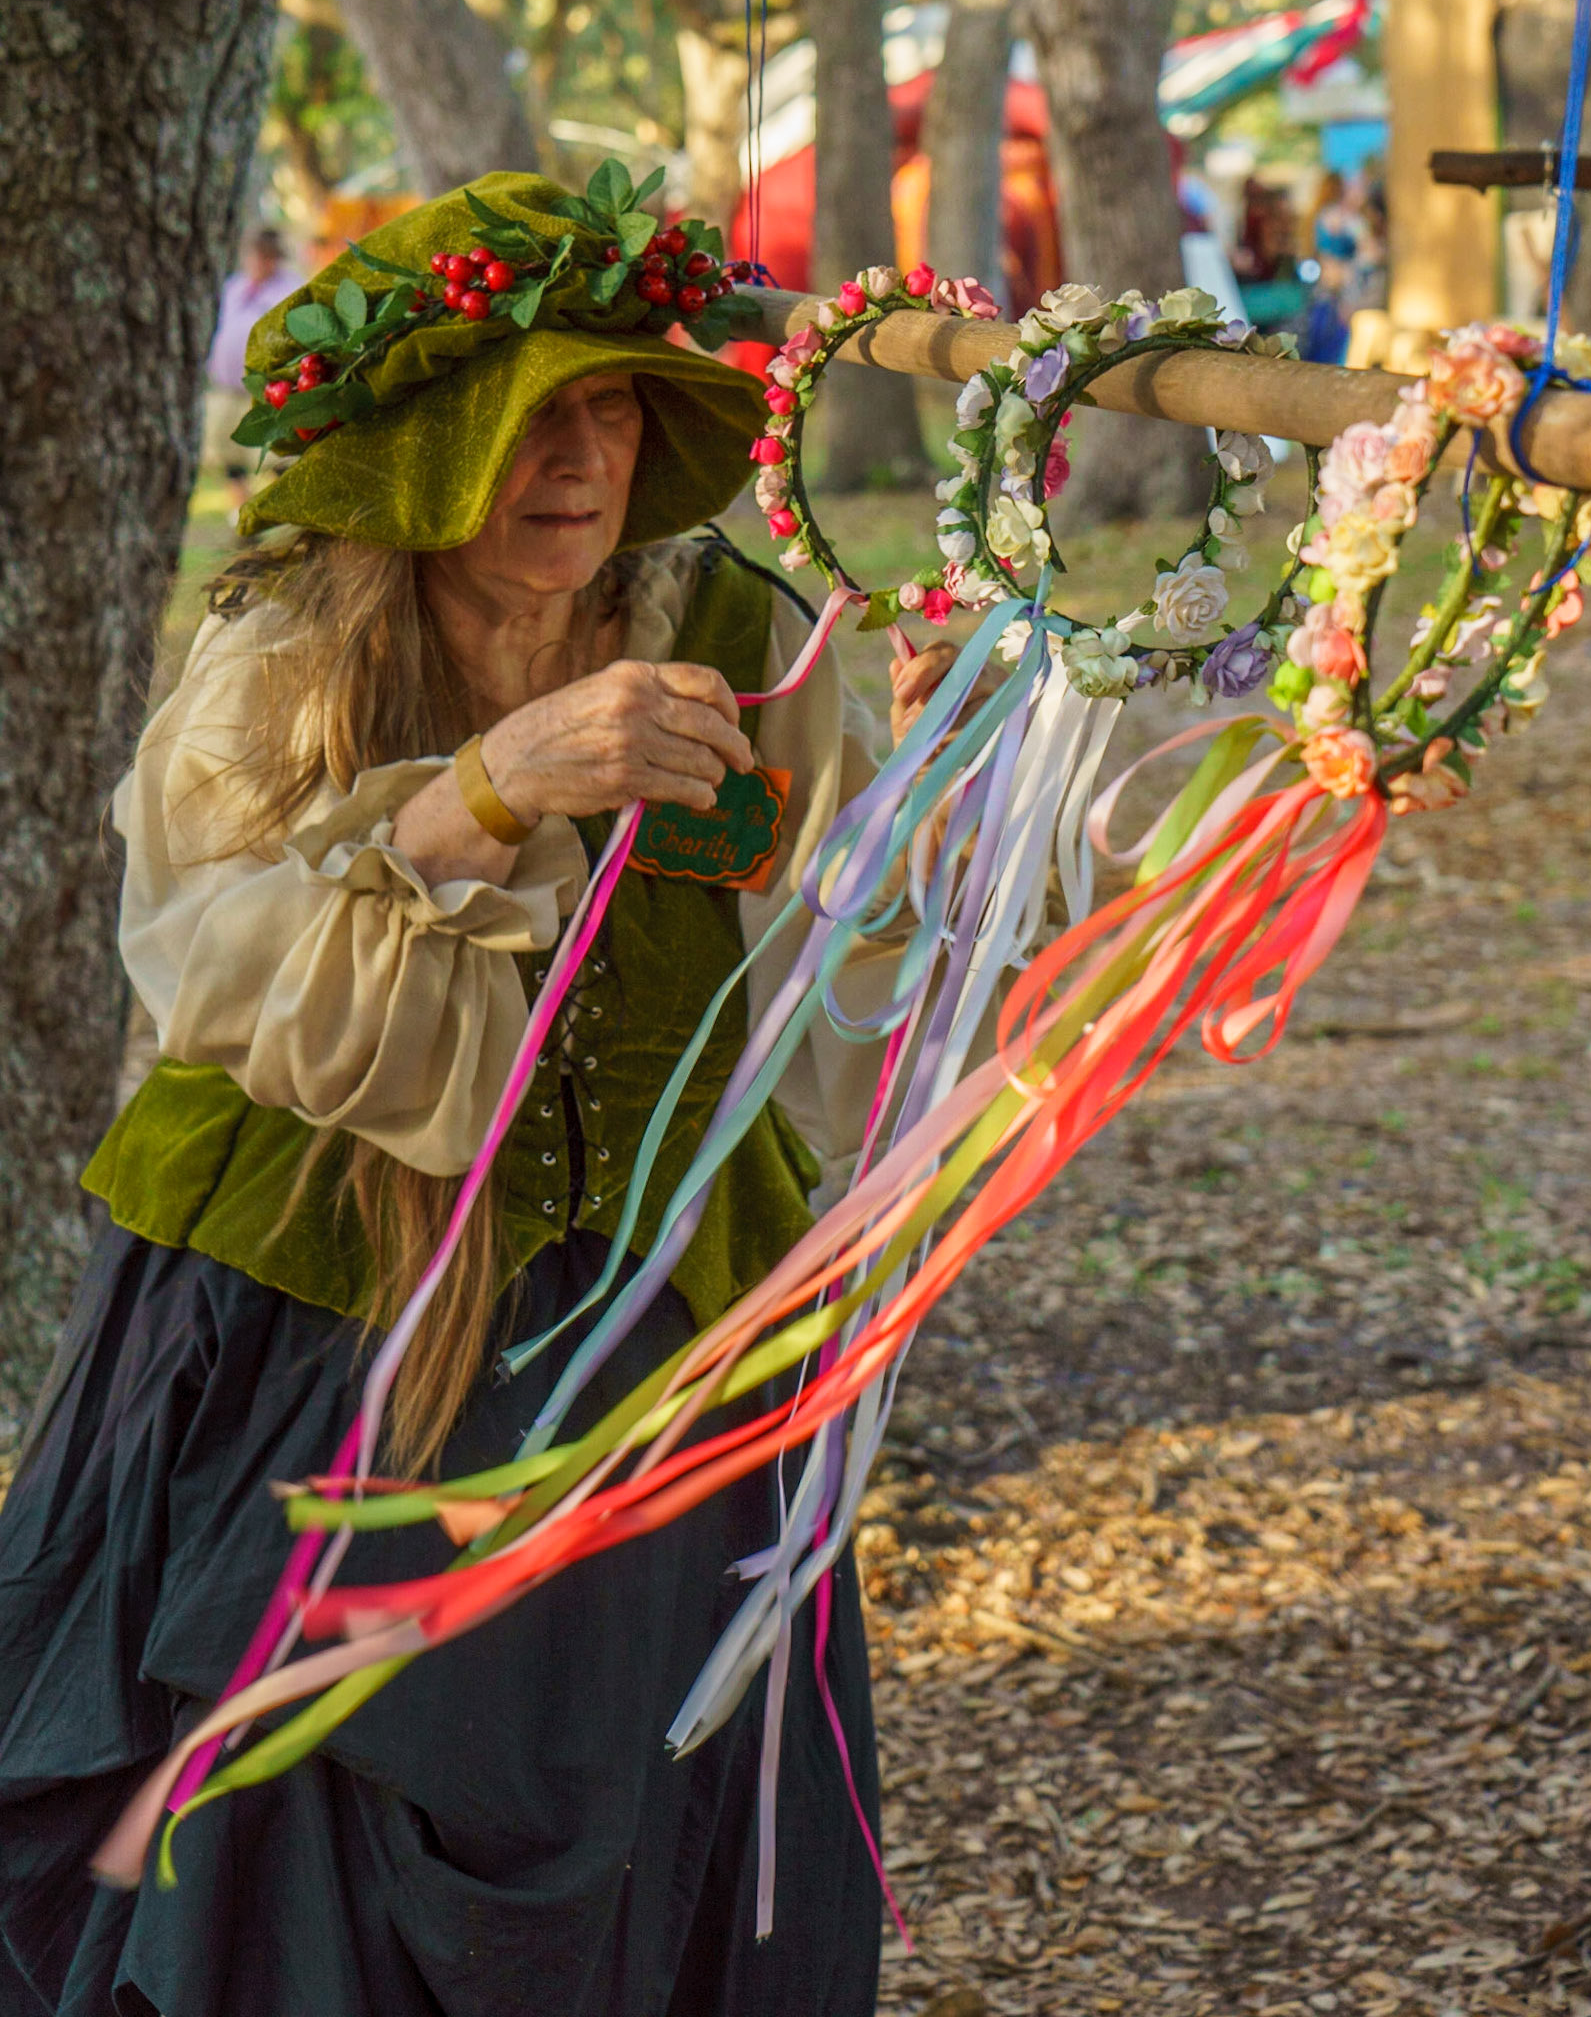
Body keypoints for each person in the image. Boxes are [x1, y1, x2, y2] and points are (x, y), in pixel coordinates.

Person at [0, 174, 966, 2017]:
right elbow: (207, 956)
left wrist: (941, 798)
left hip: (654, 1301)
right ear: (428, 442)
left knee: (635, 1786)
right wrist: (486, 789)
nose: (579, 458)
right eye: (530, 414)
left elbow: (849, 960)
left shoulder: (741, 627)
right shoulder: (299, 642)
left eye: (613, 407)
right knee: (292, 1797)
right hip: (320, 1307)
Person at [202, 226, 304, 521]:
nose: (259, 262)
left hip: (266, 390)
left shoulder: (288, 290)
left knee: (273, 456)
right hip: (227, 386)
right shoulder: (235, 287)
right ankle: (242, 510)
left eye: (266, 256)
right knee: (229, 453)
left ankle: (281, 513)